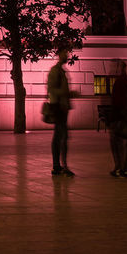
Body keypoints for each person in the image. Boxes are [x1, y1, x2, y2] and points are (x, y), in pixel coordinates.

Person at [46, 48, 73, 176]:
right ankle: (61, 166)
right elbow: (51, 89)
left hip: (62, 108)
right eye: (64, 54)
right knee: (61, 137)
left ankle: (58, 166)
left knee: (59, 137)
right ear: (59, 55)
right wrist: (67, 93)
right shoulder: (56, 71)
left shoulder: (61, 71)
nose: (66, 56)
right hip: (59, 108)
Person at [108, 60, 127, 177]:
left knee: (117, 142)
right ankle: (120, 166)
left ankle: (120, 166)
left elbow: (119, 101)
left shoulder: (121, 81)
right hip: (120, 116)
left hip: (119, 116)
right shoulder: (124, 80)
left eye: (114, 67)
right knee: (119, 142)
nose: (111, 70)